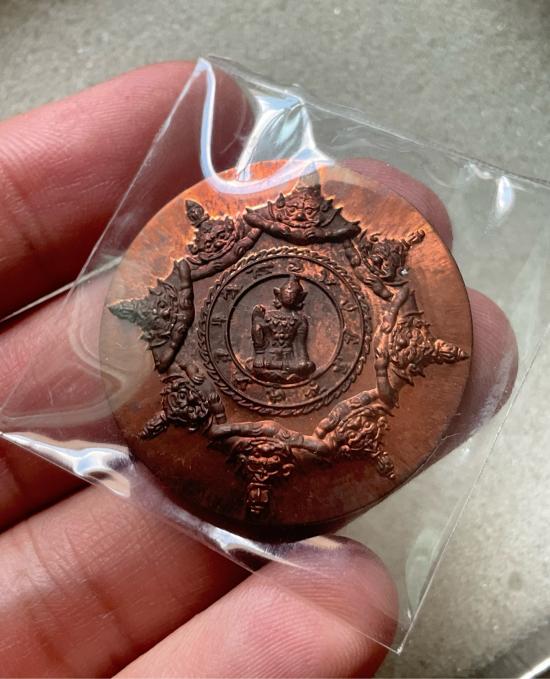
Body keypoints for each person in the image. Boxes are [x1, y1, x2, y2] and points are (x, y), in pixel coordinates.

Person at [0, 61, 517, 677]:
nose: (291, 298)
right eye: (287, 294)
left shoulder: (316, 312)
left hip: (290, 372)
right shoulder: (245, 309)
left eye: (297, 295)